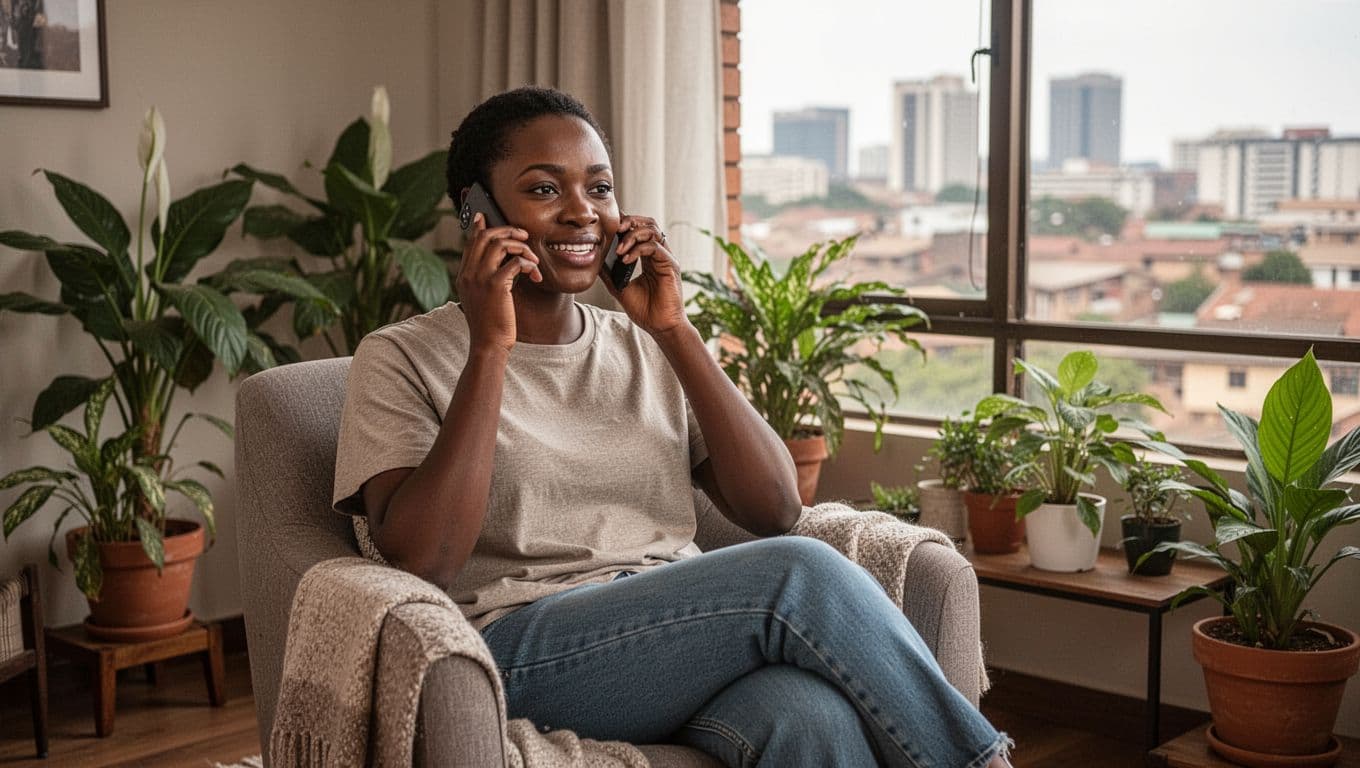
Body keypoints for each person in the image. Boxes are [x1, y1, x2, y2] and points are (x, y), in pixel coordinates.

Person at [333, 86, 1012, 767]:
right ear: (476, 211)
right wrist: (489, 348)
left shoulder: (639, 346)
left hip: (673, 631)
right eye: (544, 189)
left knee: (809, 717)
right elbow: (423, 559)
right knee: (799, 573)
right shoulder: (400, 356)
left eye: (599, 188)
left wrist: (672, 328)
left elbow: (775, 506)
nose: (582, 212)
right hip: (513, 650)